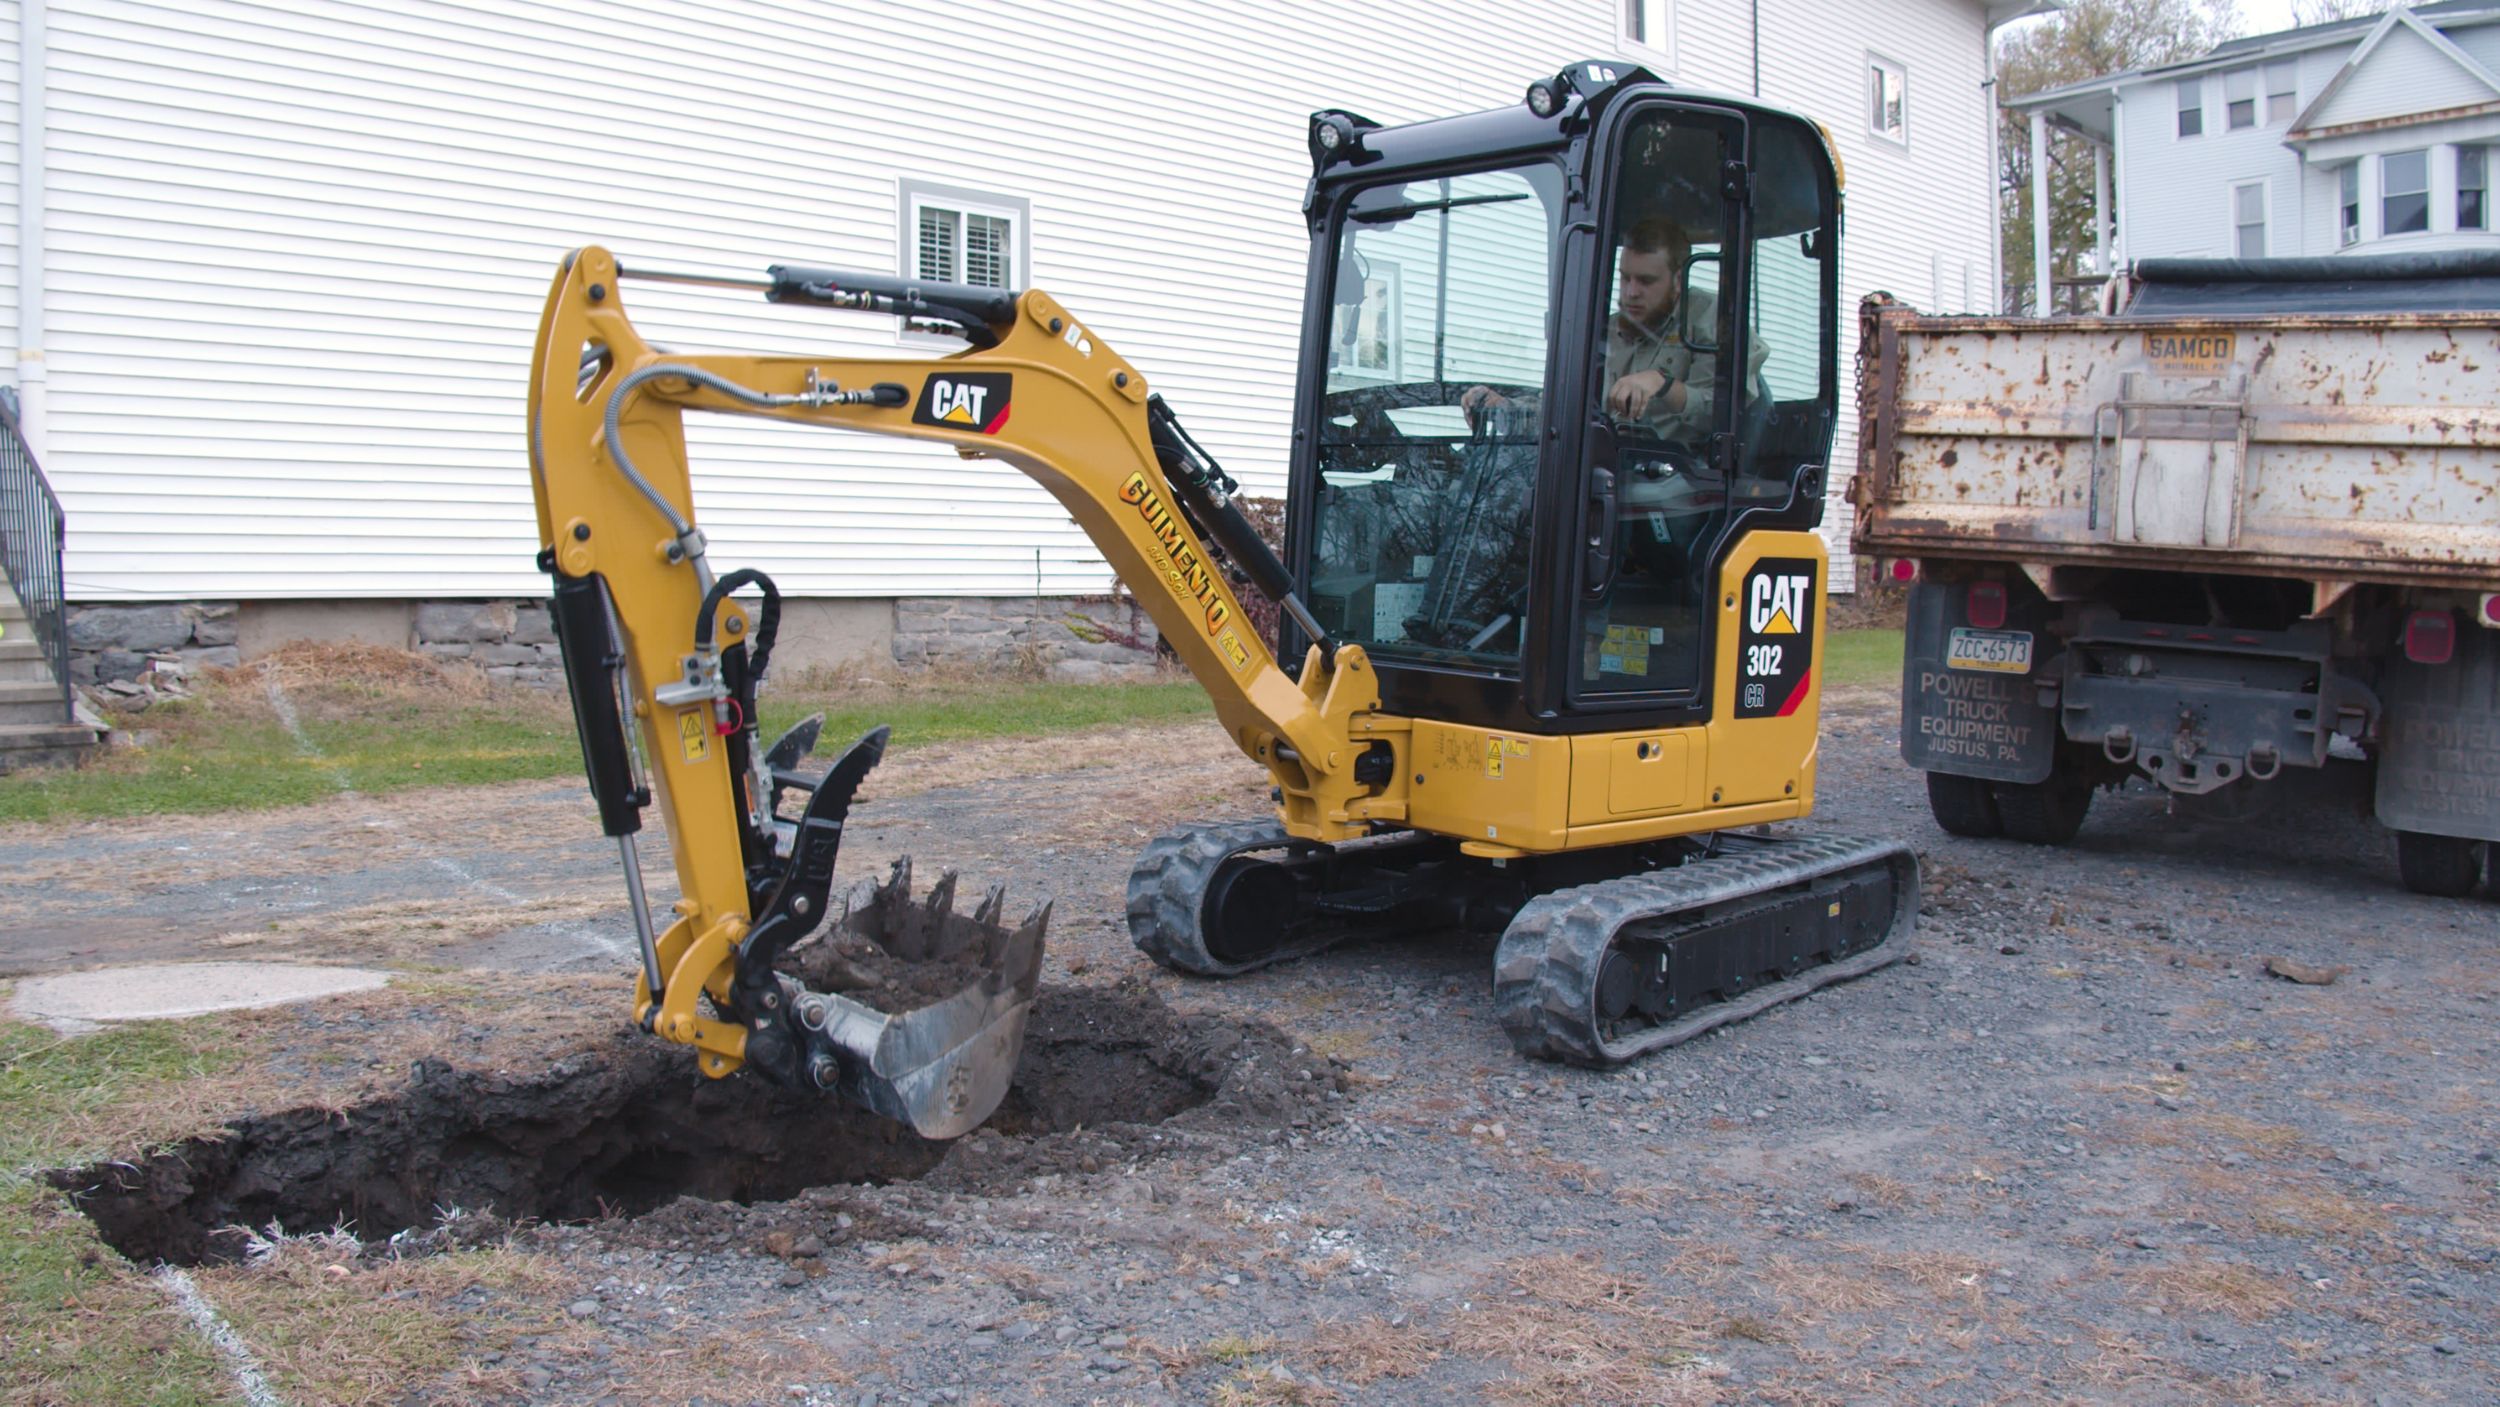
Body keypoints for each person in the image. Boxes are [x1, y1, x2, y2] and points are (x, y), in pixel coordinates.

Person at [1461, 217, 1720, 443]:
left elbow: (1725, 417)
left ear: (1678, 280)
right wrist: (1502, 407)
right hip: (1608, 476)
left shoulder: (1711, 319)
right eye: (1625, 278)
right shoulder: (1602, 332)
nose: (1631, 292)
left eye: (1645, 281)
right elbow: (1561, 416)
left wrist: (1662, 384)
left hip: (1684, 485)